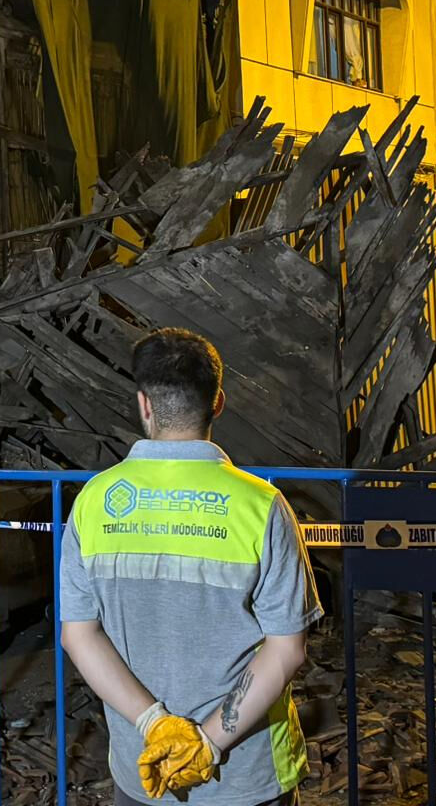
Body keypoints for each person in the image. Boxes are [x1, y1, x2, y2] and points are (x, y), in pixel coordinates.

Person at [58, 328, 321, 805]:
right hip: (246, 774)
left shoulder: (93, 502)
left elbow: (79, 635)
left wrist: (155, 725)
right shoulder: (261, 506)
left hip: (144, 772)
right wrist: (206, 742)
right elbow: (287, 650)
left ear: (144, 405)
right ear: (218, 403)